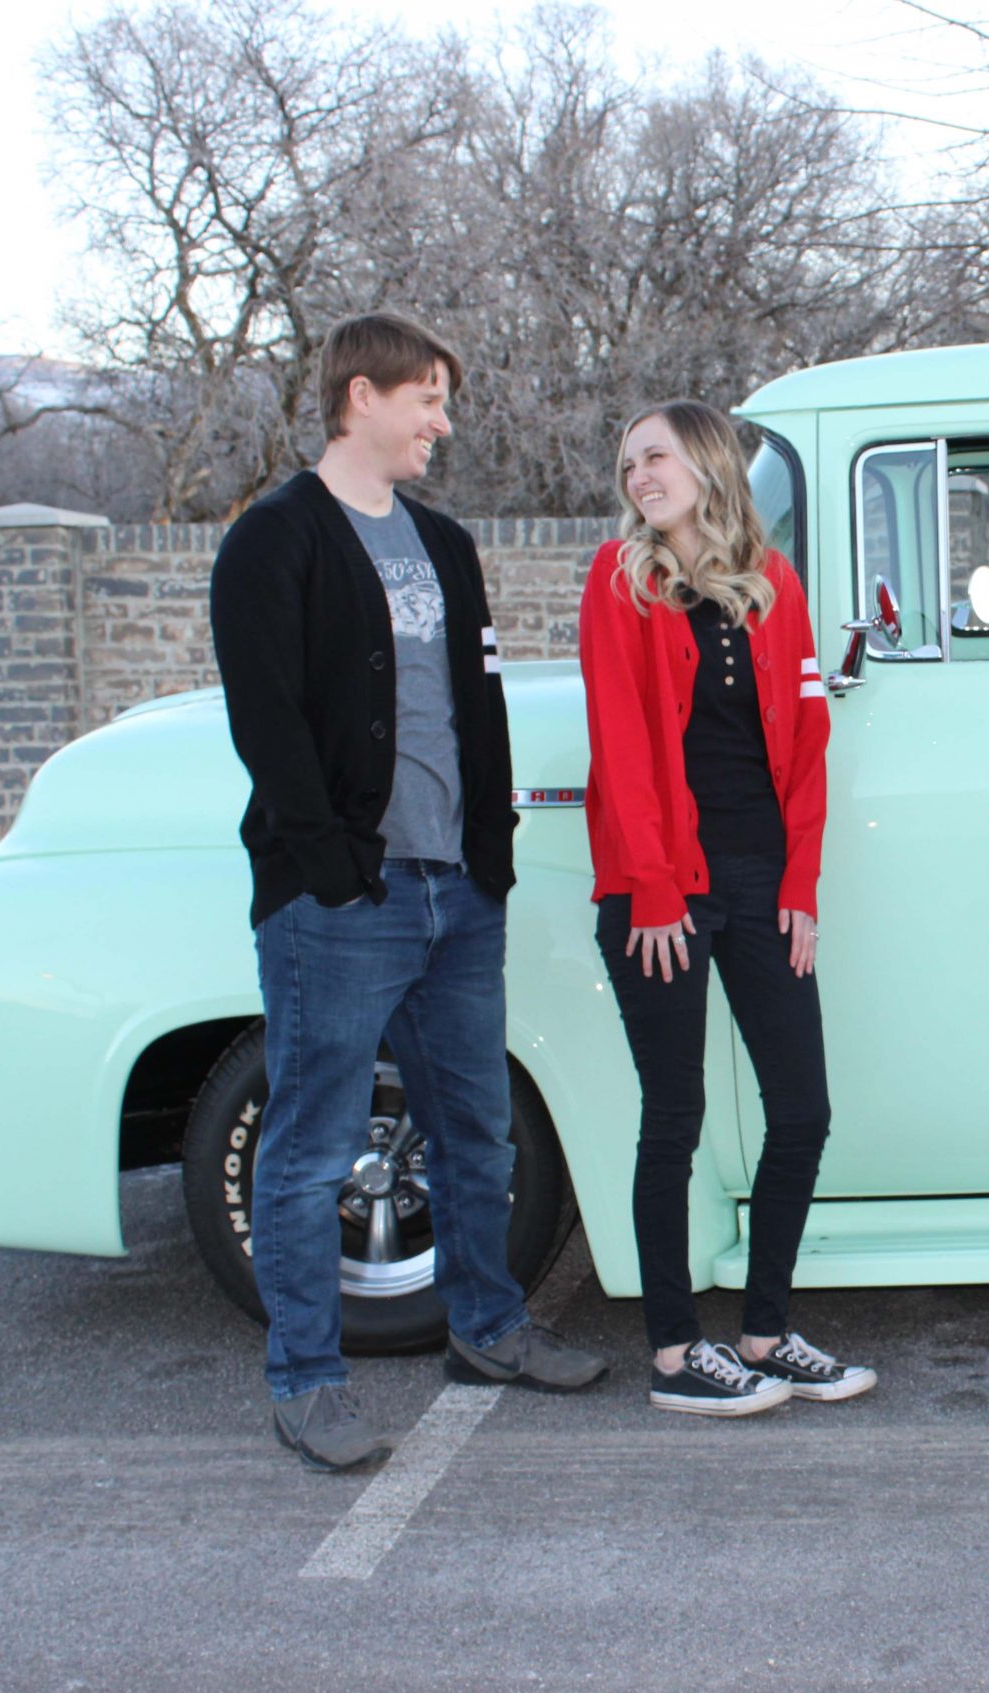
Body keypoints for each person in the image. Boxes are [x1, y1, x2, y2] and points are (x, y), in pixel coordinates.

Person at [210, 311, 607, 1473]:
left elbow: (475, 707)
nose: (442, 420)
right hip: (340, 903)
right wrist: (334, 865)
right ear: (361, 399)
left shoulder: (444, 545)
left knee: (476, 1131)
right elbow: (266, 722)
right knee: (310, 1148)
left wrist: (490, 849)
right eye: (427, 397)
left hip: (455, 894)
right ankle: (307, 1383)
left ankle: (486, 1328)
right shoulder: (273, 541)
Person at [579, 399, 870, 1417]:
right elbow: (621, 748)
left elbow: (803, 745)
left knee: (802, 1110)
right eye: (629, 461)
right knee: (675, 1115)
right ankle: (672, 1354)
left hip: (758, 883)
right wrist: (655, 892)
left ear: (706, 464)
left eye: (654, 454)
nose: (637, 474)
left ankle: (765, 1330)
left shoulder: (774, 585)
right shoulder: (620, 586)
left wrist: (800, 886)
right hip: (659, 892)